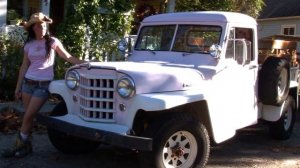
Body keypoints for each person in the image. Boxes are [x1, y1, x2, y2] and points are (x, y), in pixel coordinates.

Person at [1, 12, 85, 158]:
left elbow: (68, 57)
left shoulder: (52, 42)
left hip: (43, 86)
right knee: (29, 117)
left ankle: (16, 146)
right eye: (40, 25)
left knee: (27, 117)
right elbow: (24, 66)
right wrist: (18, 87)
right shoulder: (29, 44)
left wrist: (87, 63)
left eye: (45, 25)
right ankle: (26, 147)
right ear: (33, 28)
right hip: (28, 83)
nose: (43, 28)